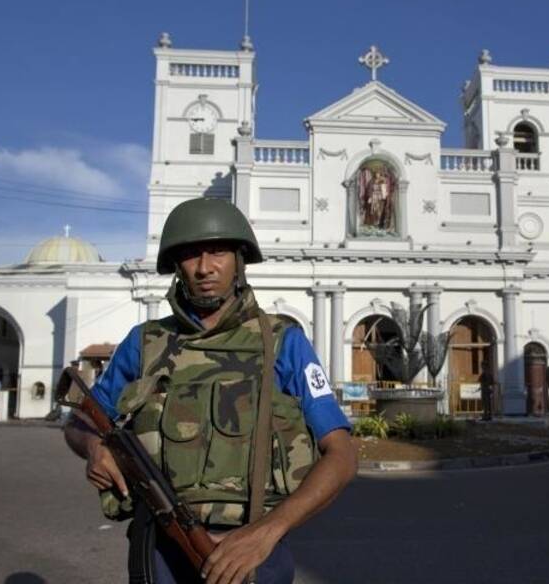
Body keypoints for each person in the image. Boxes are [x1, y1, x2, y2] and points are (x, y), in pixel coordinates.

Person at [64, 198, 357, 584]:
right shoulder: (146, 343)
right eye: (189, 255)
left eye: (218, 251)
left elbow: (342, 455)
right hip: (161, 548)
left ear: (239, 259)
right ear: (176, 267)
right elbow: (80, 420)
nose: (204, 267)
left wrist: (266, 533)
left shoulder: (282, 342)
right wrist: (94, 448)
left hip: (253, 553)